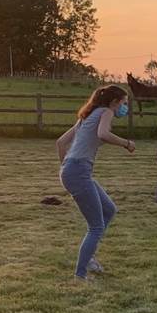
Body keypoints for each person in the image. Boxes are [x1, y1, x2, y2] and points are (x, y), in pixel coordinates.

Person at [56, 85, 136, 282]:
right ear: (114, 102)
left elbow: (61, 143)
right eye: (124, 103)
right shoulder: (106, 112)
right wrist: (126, 144)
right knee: (96, 227)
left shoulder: (87, 116)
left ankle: (89, 258)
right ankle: (81, 274)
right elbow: (103, 134)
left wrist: (66, 167)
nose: (125, 108)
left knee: (109, 210)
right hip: (78, 172)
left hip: (72, 170)